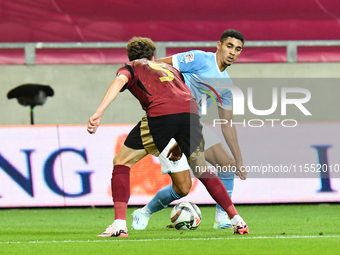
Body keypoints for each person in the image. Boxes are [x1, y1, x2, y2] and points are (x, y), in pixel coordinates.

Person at [87, 36, 249, 237]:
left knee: (121, 162)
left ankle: (119, 225)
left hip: (162, 114)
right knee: (201, 171)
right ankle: (237, 220)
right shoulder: (174, 70)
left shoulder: (131, 67)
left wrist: (98, 112)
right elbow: (184, 97)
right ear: (154, 55)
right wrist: (182, 139)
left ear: (130, 57)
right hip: (190, 114)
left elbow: (119, 81)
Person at [132, 29, 247, 230]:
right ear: (219, 45)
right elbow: (158, 64)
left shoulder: (226, 85)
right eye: (229, 46)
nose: (232, 52)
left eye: (237, 49)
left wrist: (239, 159)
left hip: (195, 125)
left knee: (227, 165)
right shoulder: (200, 59)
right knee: (183, 188)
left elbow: (227, 124)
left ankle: (222, 219)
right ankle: (143, 213)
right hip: (170, 121)